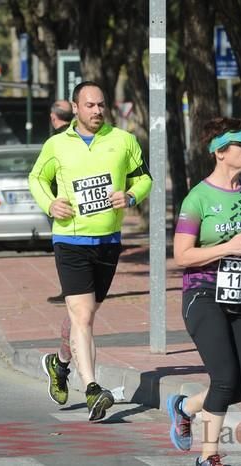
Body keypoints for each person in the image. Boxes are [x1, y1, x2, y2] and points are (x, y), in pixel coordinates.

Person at [29, 81, 152, 421]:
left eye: (101, 105)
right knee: (82, 316)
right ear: (76, 107)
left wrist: (130, 197)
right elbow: (36, 179)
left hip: (108, 241)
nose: (97, 111)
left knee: (85, 314)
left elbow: (144, 179)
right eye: (90, 105)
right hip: (70, 241)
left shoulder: (123, 141)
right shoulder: (57, 146)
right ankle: (94, 388)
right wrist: (50, 204)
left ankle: (59, 363)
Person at [166, 117, 241, 466]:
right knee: (224, 379)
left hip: (240, 297)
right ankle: (209, 456)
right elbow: (181, 255)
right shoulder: (198, 198)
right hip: (203, 295)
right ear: (220, 152)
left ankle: (184, 406)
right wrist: (226, 247)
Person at [45, 99, 75, 305]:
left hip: (61, 201)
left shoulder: (56, 141)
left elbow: (44, 174)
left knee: (64, 248)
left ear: (53, 117)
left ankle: (70, 290)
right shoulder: (78, 137)